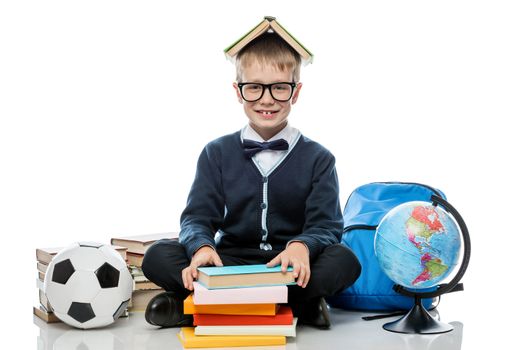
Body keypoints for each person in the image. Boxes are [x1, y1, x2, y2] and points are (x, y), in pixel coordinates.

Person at [142, 32, 361, 330]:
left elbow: (327, 227)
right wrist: (203, 248)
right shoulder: (216, 153)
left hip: (288, 267)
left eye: (279, 88)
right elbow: (196, 218)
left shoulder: (319, 158)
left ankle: (197, 309)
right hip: (229, 265)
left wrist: (301, 246)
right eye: (254, 88)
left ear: (295, 92)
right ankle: (296, 306)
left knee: (345, 260)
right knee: (157, 255)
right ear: (238, 91)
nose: (267, 99)